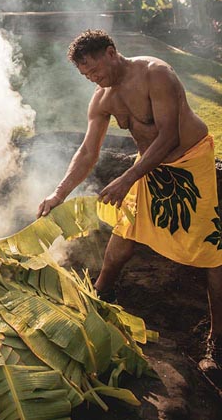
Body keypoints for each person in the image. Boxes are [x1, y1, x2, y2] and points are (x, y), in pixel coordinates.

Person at [36, 30, 222, 382]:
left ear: (110, 52)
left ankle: (217, 340)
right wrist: (59, 194)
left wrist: (127, 178)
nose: (93, 79)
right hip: (147, 167)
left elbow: (168, 136)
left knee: (212, 251)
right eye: (86, 76)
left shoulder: (156, 74)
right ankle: (101, 298)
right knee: (125, 234)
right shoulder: (102, 99)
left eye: (95, 71)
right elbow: (87, 152)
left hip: (188, 164)